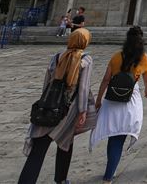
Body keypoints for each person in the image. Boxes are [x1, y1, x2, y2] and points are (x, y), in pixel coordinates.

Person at [18, 28, 94, 184]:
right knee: (66, 143)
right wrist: (83, 111)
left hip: (49, 108)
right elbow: (84, 89)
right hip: (68, 111)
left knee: (38, 151)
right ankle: (61, 179)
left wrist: (44, 103)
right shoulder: (85, 60)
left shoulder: (56, 57)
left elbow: (47, 83)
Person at [91, 26, 147, 183]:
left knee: (113, 137)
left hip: (112, 98)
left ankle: (110, 169)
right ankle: (109, 175)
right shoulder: (144, 57)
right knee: (120, 137)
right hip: (130, 99)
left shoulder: (117, 56)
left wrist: (98, 99)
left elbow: (106, 79)